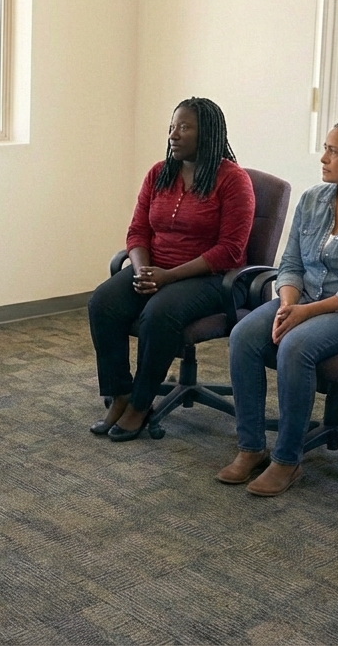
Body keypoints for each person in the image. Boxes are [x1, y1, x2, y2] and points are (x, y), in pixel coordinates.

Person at [219, 119, 338, 496]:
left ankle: (287, 461)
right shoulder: (313, 199)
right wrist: (288, 303)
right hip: (303, 301)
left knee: (295, 345)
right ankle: (251, 447)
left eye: (333, 151)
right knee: (243, 336)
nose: (323, 158)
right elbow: (290, 263)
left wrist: (306, 313)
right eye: (325, 147)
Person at [87, 96, 254, 441]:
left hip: (213, 278)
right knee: (102, 302)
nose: (174, 135)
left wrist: (168, 277)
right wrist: (142, 270)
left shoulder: (233, 180)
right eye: (172, 127)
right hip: (155, 269)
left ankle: (141, 403)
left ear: (207, 133)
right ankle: (121, 394)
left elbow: (230, 250)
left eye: (184, 127)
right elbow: (137, 232)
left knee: (158, 314)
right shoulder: (159, 174)